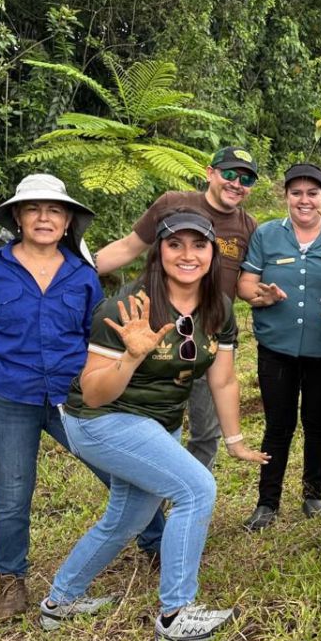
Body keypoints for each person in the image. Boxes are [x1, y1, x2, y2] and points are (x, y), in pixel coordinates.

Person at [42, 210, 270, 641]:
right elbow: (92, 394)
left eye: (198, 245)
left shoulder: (219, 307)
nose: (188, 255)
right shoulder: (127, 306)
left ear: (212, 253)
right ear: (157, 251)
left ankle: (60, 602)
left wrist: (236, 440)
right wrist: (130, 357)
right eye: (175, 245)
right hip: (101, 420)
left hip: (158, 424)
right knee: (197, 489)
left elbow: (221, 379)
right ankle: (176, 615)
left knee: (129, 516)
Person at [93, 146, 261, 562]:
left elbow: (243, 283)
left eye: (246, 179)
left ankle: (186, 514)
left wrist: (263, 294)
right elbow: (129, 247)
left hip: (208, 344)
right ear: (211, 172)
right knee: (149, 428)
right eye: (230, 174)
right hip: (154, 339)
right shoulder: (173, 204)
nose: (236, 184)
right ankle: (152, 524)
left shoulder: (248, 226)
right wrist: (73, 273)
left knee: (205, 433)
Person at [0, 174, 106, 621]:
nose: (44, 217)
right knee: (12, 494)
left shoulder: (83, 275)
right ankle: (11, 582)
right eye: (34, 209)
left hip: (71, 394)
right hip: (7, 395)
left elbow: (96, 341)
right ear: (18, 216)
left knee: (118, 469)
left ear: (68, 220)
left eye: (54, 210)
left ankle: (156, 545)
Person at [237, 163, 321, 532]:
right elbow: (246, 283)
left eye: (313, 193)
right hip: (276, 346)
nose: (305, 200)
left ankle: (313, 494)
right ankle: (267, 502)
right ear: (287, 197)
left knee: (317, 422)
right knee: (278, 425)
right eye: (297, 193)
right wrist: (259, 295)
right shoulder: (266, 235)